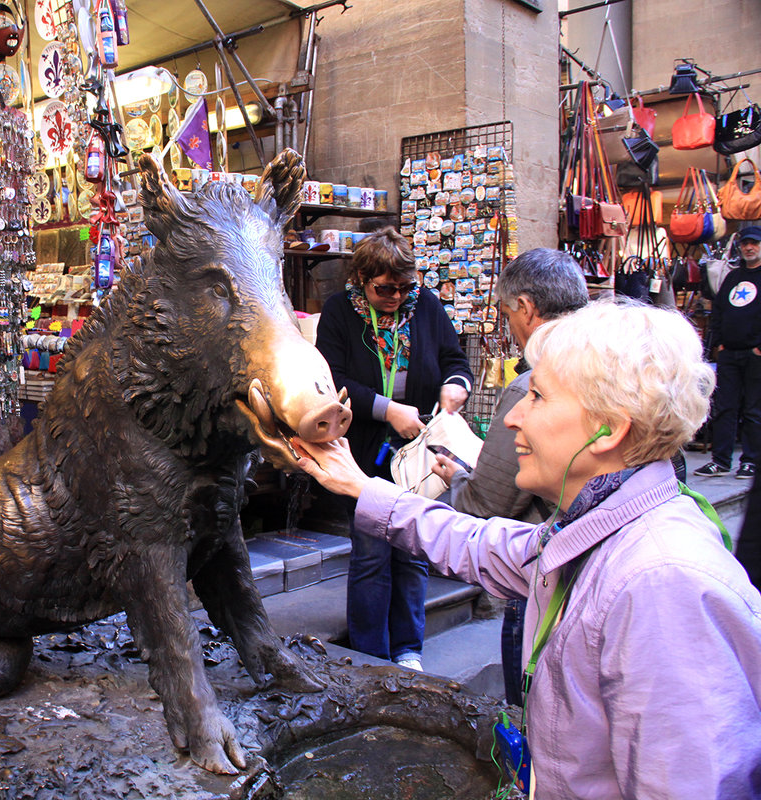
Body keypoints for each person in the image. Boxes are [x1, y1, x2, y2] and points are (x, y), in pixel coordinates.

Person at [294, 300, 761, 799]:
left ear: (612, 427)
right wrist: (361, 487)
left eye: (537, 396)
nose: (514, 417)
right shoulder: (599, 530)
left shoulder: (662, 586)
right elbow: (481, 544)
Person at [430, 248, 588, 705]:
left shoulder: (533, 385)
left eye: (505, 312)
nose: (508, 325)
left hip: (549, 571)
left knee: (537, 715)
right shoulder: (616, 369)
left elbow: (489, 505)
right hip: (587, 560)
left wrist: (457, 482)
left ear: (526, 308)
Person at [314, 227, 473, 670]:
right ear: (362, 279)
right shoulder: (339, 312)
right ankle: (370, 653)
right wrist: (388, 411)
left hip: (415, 453)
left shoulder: (427, 308)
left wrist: (455, 386)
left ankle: (407, 649)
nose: (397, 297)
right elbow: (333, 379)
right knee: (370, 552)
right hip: (364, 451)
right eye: (385, 288)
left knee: (413, 551)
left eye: (405, 288)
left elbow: (454, 360)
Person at [694, 224, 761, 479]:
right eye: (745, 244)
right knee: (724, 407)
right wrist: (718, 344)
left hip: (754, 354)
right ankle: (720, 460)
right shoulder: (733, 277)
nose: (749, 248)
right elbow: (719, 310)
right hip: (730, 353)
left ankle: (750, 461)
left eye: (754, 243)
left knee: (754, 410)